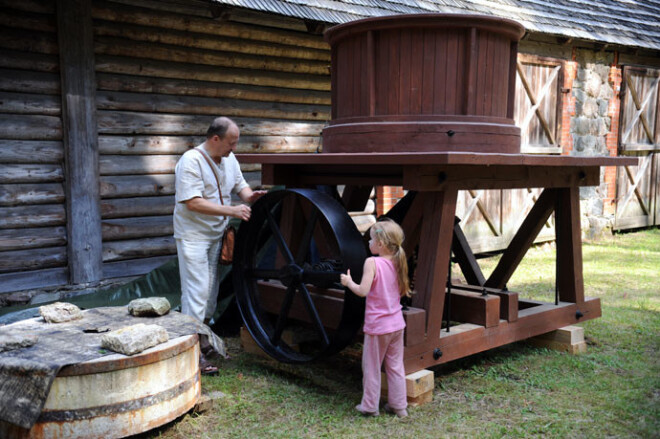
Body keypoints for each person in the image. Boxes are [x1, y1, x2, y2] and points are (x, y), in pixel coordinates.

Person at [174, 116, 266, 372]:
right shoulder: (190, 161)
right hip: (193, 236)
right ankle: (190, 352)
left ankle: (203, 342)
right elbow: (192, 202)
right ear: (215, 139)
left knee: (211, 294)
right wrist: (232, 211)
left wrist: (252, 196)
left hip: (215, 235)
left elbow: (240, 187)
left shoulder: (228, 159)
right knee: (196, 292)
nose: (234, 148)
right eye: (231, 142)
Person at [340, 219, 411, 418]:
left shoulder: (372, 262)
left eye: (371, 239)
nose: (368, 243)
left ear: (380, 244)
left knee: (371, 367)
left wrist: (348, 282)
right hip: (397, 325)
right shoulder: (398, 261)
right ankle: (399, 406)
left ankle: (370, 407)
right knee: (395, 366)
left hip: (378, 326)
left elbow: (362, 291)